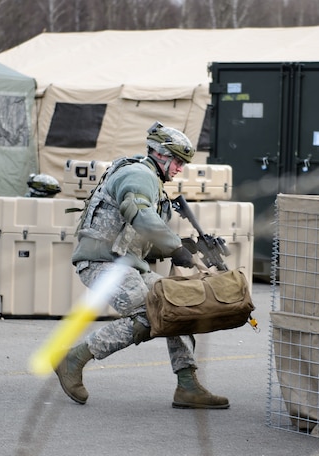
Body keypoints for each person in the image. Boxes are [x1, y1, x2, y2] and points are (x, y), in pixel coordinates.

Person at [54, 121, 229, 410]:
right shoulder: (139, 175)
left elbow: (139, 234)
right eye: (177, 161)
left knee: (179, 304)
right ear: (160, 154)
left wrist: (185, 246)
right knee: (148, 316)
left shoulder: (148, 179)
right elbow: (141, 216)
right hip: (103, 263)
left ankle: (187, 384)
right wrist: (175, 248)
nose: (180, 169)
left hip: (124, 264)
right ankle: (73, 359)